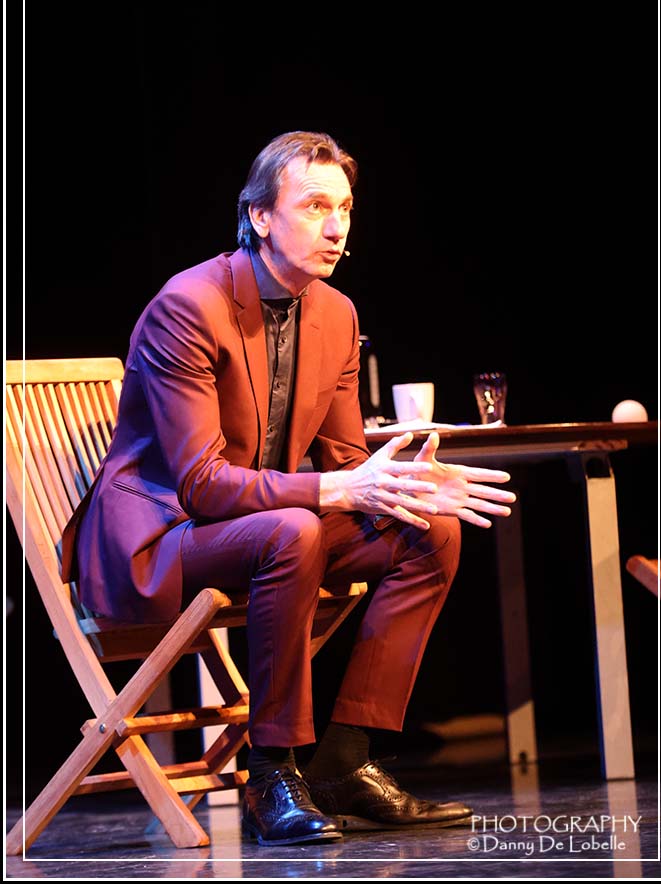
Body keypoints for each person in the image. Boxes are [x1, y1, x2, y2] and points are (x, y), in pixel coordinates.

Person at [62, 131, 516, 847]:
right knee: (294, 529)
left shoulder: (336, 313)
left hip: (260, 528)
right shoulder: (190, 305)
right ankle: (271, 770)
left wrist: (407, 483)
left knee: (430, 531)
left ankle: (346, 760)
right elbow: (203, 485)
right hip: (159, 541)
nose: (336, 227)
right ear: (260, 216)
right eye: (314, 207)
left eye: (345, 208)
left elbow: (345, 458)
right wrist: (337, 488)